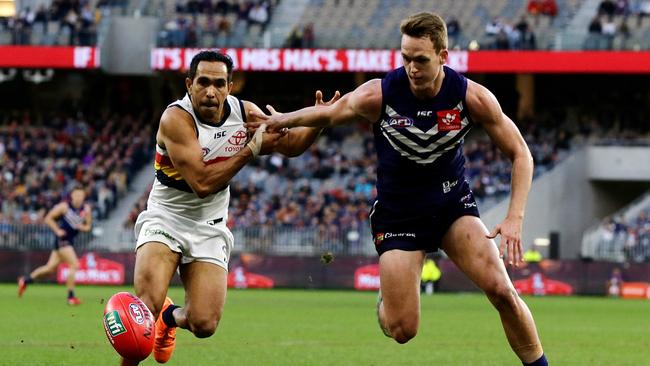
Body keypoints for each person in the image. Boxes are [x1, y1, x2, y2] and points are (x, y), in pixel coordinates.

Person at [248, 12, 548, 366]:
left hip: (452, 206)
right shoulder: (380, 94)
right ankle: (385, 303)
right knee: (402, 329)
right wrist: (282, 119)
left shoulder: (472, 98)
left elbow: (521, 154)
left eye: (420, 59)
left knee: (502, 291)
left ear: (443, 57)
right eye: (405, 57)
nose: (411, 67)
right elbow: (329, 114)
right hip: (398, 214)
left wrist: (515, 217)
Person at [125, 50, 336, 365]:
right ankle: (148, 328)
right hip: (165, 218)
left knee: (204, 324)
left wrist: (318, 121)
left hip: (209, 223)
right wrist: (250, 151)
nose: (211, 91)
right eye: (204, 82)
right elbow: (203, 183)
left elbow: (290, 144)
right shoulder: (176, 119)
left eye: (219, 84)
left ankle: (169, 319)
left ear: (230, 86)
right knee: (145, 308)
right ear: (189, 84)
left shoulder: (245, 113)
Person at [17, 186, 92, 305]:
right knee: (74, 264)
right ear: (72, 196)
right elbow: (48, 219)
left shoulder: (86, 209)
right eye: (76, 195)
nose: (78, 198)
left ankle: (25, 280)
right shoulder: (65, 207)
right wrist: (57, 230)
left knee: (49, 268)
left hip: (70, 241)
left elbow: (88, 226)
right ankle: (70, 297)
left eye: (81, 195)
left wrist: (81, 227)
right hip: (62, 240)